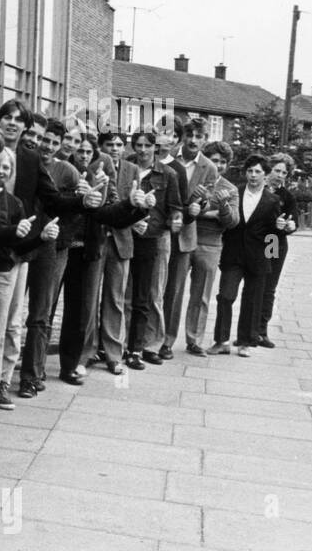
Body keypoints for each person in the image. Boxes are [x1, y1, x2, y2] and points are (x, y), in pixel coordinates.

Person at [0, 147, 41, 421]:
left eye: (6, 167)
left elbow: (16, 242)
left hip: (0, 272)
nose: (0, 170)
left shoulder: (13, 203)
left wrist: (39, 237)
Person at [16, 120, 80, 398]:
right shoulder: (17, 159)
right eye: (40, 138)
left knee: (41, 312)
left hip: (47, 245)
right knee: (6, 313)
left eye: (52, 141)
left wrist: (83, 201)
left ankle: (31, 374)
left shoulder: (64, 171)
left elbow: (61, 205)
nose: (45, 145)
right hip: (14, 241)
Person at [160, 118, 220, 359]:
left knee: (176, 289)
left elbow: (206, 201)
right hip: (161, 229)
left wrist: (200, 204)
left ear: (205, 139)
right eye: (190, 135)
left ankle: (178, 341)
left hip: (185, 234)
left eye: (199, 136)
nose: (193, 140)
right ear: (183, 136)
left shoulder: (209, 168)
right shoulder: (167, 156)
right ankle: (154, 338)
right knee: (159, 289)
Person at [211, 155, 281, 356]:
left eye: (258, 171)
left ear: (265, 175)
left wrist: (271, 260)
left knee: (252, 300)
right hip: (233, 255)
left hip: (258, 258)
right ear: (245, 173)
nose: (253, 175)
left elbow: (273, 232)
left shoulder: (272, 200)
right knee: (225, 296)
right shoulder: (235, 192)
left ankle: (245, 343)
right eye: (250, 171)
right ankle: (221, 341)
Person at [93, 130, 150, 375]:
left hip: (121, 239)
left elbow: (135, 205)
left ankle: (114, 353)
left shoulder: (131, 169)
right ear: (101, 146)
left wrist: (140, 213)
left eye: (118, 144)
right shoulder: (94, 165)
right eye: (109, 144)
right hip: (96, 238)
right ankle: (89, 350)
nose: (114, 148)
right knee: (90, 298)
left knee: (115, 299)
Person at [124, 129, 182, 369]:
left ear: (155, 148)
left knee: (149, 294)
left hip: (153, 238)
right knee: (123, 294)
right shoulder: (127, 168)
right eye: (138, 145)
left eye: (148, 146)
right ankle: (121, 345)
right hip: (126, 235)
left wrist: (174, 221)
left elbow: (176, 208)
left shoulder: (167, 174)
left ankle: (146, 346)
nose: (143, 150)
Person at [184, 141, 240, 354]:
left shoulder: (230, 189)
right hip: (185, 239)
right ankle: (163, 341)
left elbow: (233, 221)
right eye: (215, 160)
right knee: (172, 291)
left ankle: (194, 340)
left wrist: (222, 207)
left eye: (223, 161)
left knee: (201, 296)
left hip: (210, 244)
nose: (219, 165)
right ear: (206, 160)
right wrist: (211, 213)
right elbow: (185, 208)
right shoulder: (193, 179)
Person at [257, 153, 298, 347]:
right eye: (277, 170)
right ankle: (247, 328)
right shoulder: (257, 188)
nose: (280, 175)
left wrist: (290, 226)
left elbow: (294, 220)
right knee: (253, 284)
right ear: (269, 170)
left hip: (273, 242)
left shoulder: (287, 196)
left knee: (268, 285)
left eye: (284, 172)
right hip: (254, 241)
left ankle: (262, 330)